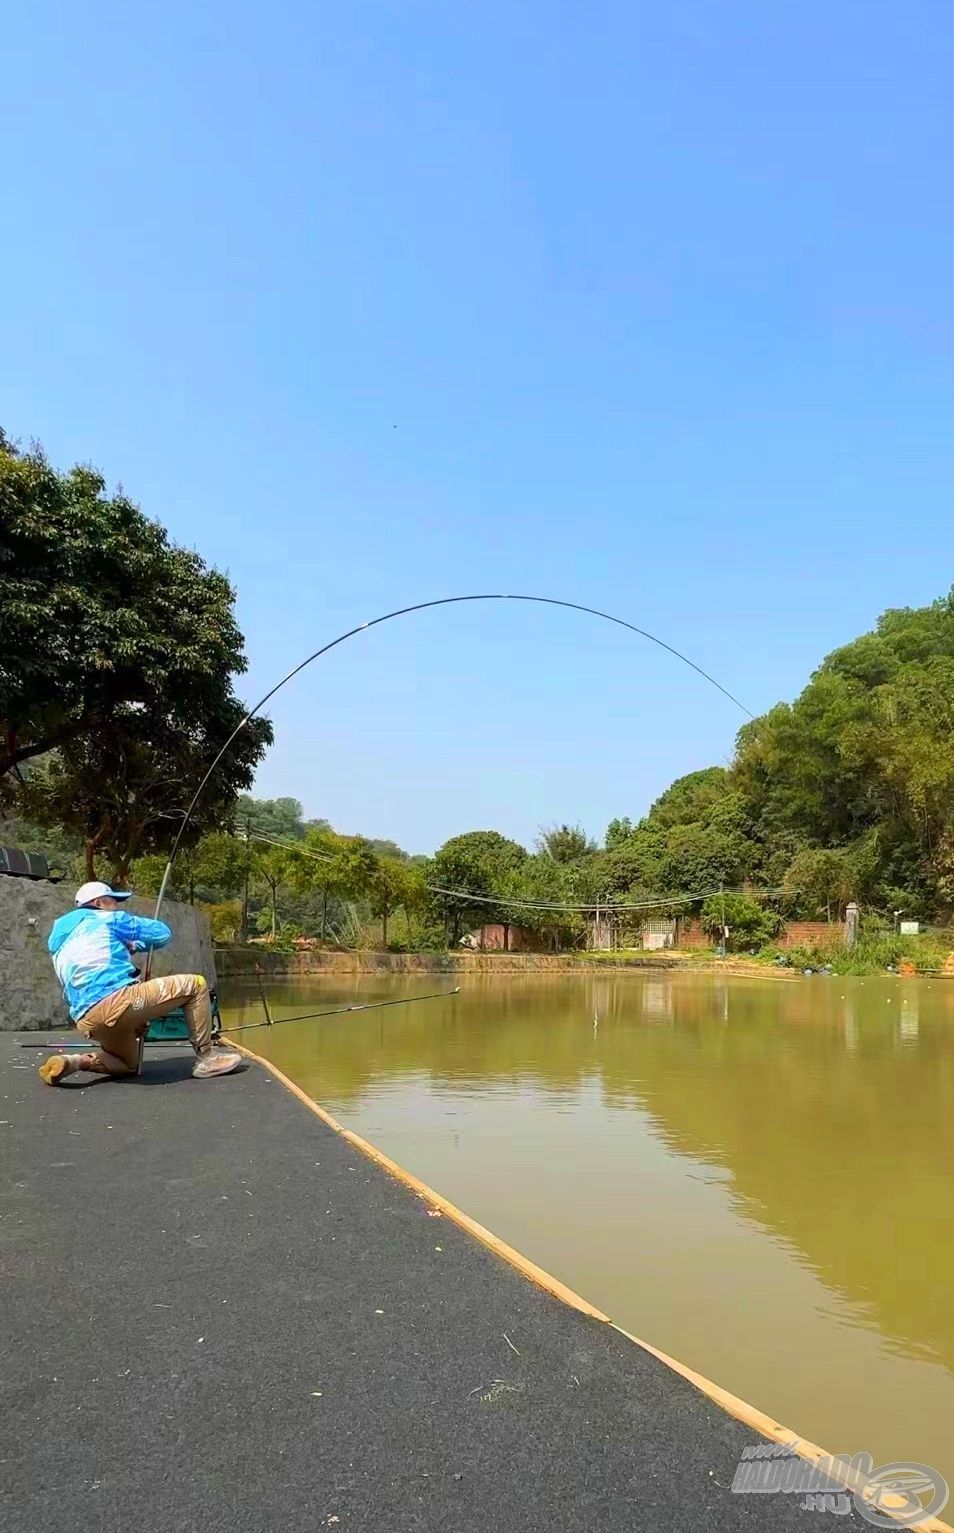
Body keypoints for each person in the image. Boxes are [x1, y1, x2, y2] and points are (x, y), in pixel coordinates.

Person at [39, 880, 243, 1084]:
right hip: (116, 1001)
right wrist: (137, 943)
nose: (117, 907)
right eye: (113, 902)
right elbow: (162, 933)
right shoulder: (108, 918)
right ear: (99, 903)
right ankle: (206, 1058)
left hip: (87, 1020)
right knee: (196, 985)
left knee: (128, 1064)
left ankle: (74, 1062)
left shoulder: (59, 942)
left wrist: (131, 945)